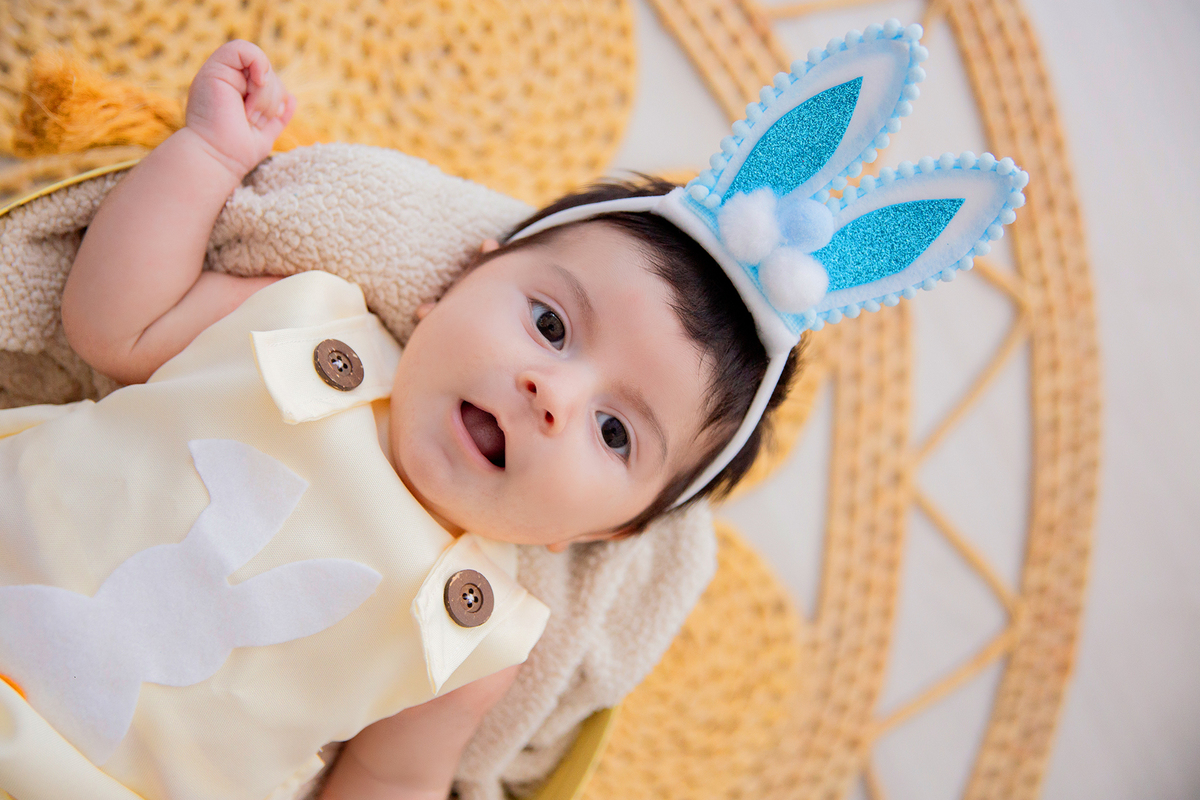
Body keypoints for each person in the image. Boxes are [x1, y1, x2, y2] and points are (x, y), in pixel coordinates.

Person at [0, 39, 794, 800]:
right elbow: (114, 324)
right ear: (455, 286)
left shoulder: (478, 639)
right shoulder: (303, 318)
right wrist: (209, 156)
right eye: (551, 326)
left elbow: (389, 780)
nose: (553, 394)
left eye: (614, 431)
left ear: (601, 534)